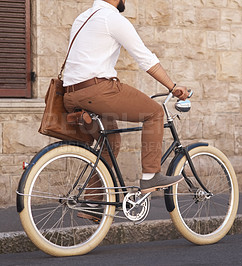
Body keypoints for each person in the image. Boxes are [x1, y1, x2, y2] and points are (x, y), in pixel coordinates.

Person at [62, 0, 189, 217]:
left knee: (110, 141)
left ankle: (92, 202)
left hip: (71, 94)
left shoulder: (82, 17)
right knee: (154, 112)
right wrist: (173, 87)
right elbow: (145, 58)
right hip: (97, 90)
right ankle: (151, 177)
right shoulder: (112, 19)